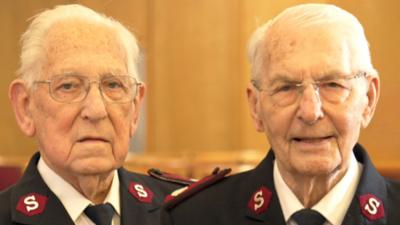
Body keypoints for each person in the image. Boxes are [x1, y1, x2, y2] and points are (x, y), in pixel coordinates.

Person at [162, 3, 400, 225]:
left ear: (368, 98)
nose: (310, 112)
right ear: (256, 107)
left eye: (332, 85)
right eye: (286, 88)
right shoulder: (193, 217)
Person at [0, 4, 184, 225]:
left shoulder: (184, 210)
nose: (96, 110)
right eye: (68, 86)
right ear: (25, 107)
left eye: (113, 85)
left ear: (135, 109)